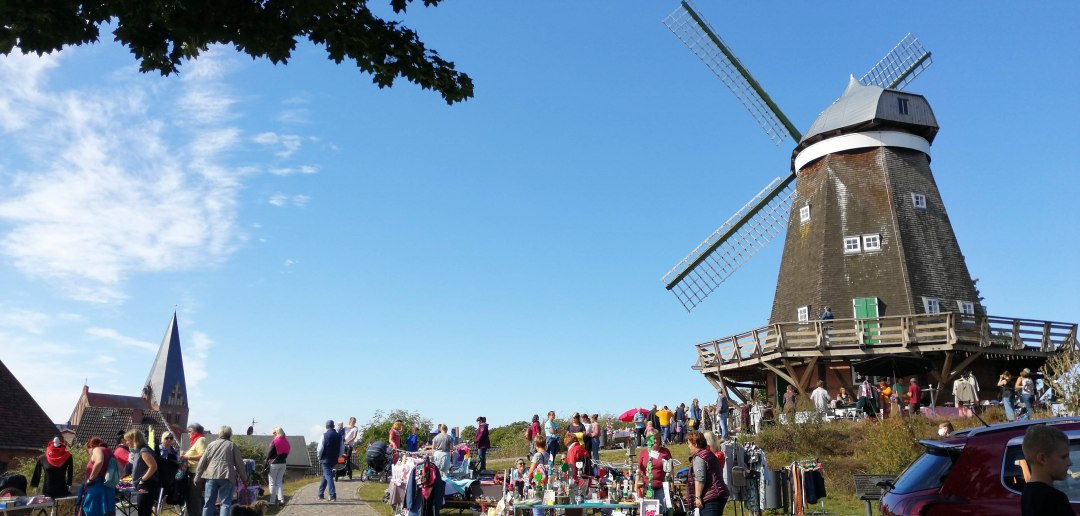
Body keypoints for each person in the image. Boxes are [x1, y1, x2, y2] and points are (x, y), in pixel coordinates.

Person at [1020, 424, 1074, 515]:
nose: (1070, 463)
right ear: (1042, 459)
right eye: (1064, 457)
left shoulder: (1027, 493)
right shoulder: (1054, 499)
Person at [195, 425, 246, 516]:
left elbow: (202, 462)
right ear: (230, 434)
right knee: (225, 504)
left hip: (211, 476)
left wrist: (197, 477)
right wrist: (244, 479)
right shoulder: (232, 445)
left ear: (219, 433)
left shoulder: (211, 445)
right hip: (227, 476)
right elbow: (240, 464)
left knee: (208, 503)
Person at [686, 431, 729, 516]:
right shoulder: (708, 454)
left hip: (711, 497)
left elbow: (700, 478)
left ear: (695, 444)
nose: (688, 446)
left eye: (689, 444)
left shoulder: (699, 457)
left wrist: (697, 497)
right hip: (717, 494)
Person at [126, 429, 159, 516]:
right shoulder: (140, 450)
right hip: (144, 485)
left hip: (147, 485)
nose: (127, 442)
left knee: (144, 511)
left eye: (128, 440)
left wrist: (142, 479)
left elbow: (153, 466)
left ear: (134, 439)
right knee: (143, 510)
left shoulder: (143, 451)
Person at [81, 437, 117, 516]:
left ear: (91, 446)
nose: (89, 453)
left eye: (88, 450)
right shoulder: (109, 452)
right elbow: (121, 470)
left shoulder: (96, 449)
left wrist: (90, 479)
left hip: (96, 489)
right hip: (109, 490)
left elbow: (99, 461)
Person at [637, 429, 672, 505]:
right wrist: (636, 486)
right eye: (654, 438)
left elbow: (670, 470)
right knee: (647, 509)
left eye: (658, 438)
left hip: (661, 487)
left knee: (662, 508)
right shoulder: (643, 453)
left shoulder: (665, 452)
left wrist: (671, 486)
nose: (656, 441)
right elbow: (638, 470)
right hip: (646, 487)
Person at [181, 423, 207, 516]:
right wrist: (185, 454)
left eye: (190, 431)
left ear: (195, 432)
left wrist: (187, 457)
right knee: (190, 498)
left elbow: (203, 456)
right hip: (192, 472)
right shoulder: (196, 441)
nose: (188, 434)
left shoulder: (201, 440)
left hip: (197, 473)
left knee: (194, 498)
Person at [315, 420, 342, 502]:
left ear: (326, 427)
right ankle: (320, 494)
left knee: (329, 476)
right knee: (326, 475)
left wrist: (319, 457)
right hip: (334, 459)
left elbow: (320, 449)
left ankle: (332, 495)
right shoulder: (339, 436)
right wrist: (338, 457)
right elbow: (342, 449)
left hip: (325, 459)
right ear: (333, 426)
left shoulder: (324, 435)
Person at [266, 427, 291, 507]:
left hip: (274, 463)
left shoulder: (275, 441)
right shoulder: (286, 441)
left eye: (274, 433)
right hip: (283, 463)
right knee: (279, 482)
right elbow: (287, 452)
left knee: (272, 482)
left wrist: (266, 460)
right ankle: (281, 500)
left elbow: (270, 452)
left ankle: (272, 501)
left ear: (277, 432)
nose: (273, 435)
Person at [527, 437, 550, 516]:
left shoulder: (537, 455)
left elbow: (530, 472)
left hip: (538, 484)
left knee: (537, 507)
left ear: (536, 444)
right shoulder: (547, 455)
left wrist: (529, 480)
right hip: (546, 483)